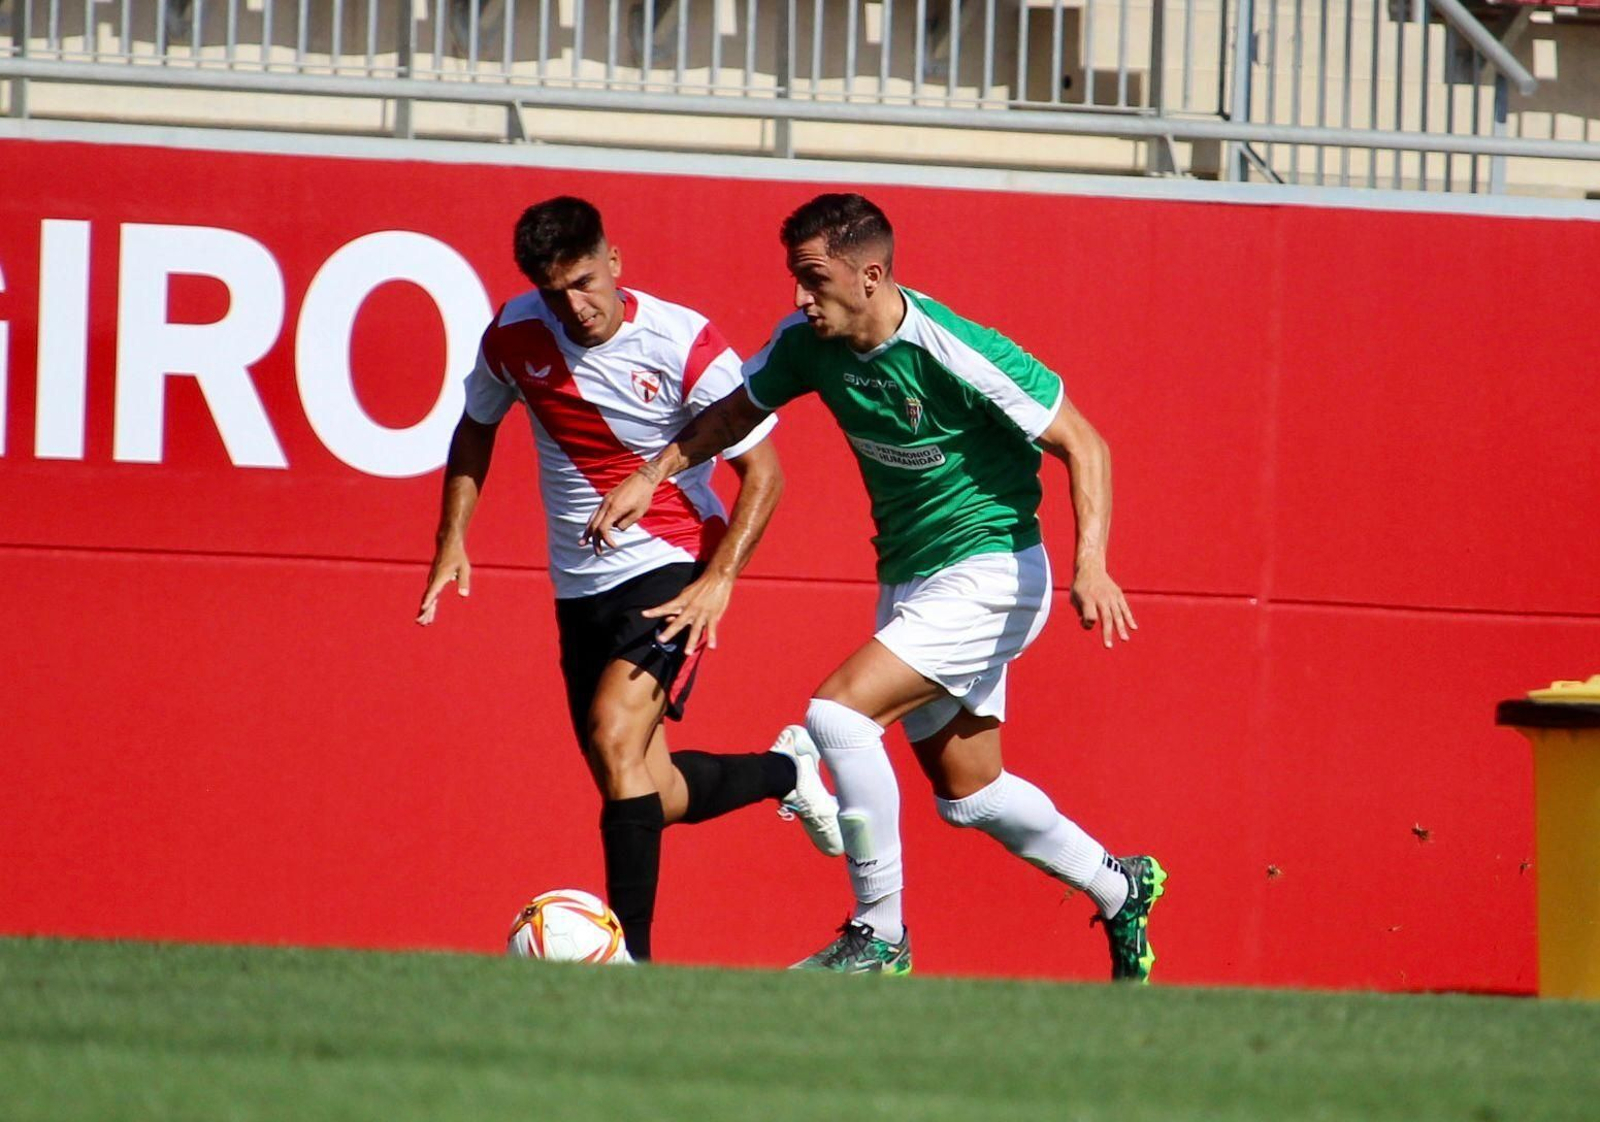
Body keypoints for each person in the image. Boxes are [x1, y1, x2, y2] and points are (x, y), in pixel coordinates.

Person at [584, 192, 1165, 981]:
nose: (798, 298)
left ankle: (879, 931)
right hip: (912, 577)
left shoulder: (954, 347)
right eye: (794, 279)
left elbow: (1084, 443)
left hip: (992, 569)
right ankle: (1118, 885)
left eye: (813, 279)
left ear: (870, 275)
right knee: (970, 793)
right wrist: (654, 475)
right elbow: (728, 418)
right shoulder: (805, 344)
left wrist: (1089, 562)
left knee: (836, 716)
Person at [417, 196, 842, 963]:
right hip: (579, 589)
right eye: (556, 293)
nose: (575, 306)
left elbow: (766, 474)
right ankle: (787, 770)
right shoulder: (513, 336)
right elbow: (477, 424)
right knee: (643, 785)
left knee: (616, 733)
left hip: (673, 563)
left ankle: (631, 967)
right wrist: (452, 538)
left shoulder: (683, 341)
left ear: (614, 260)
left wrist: (720, 579)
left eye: (584, 281)